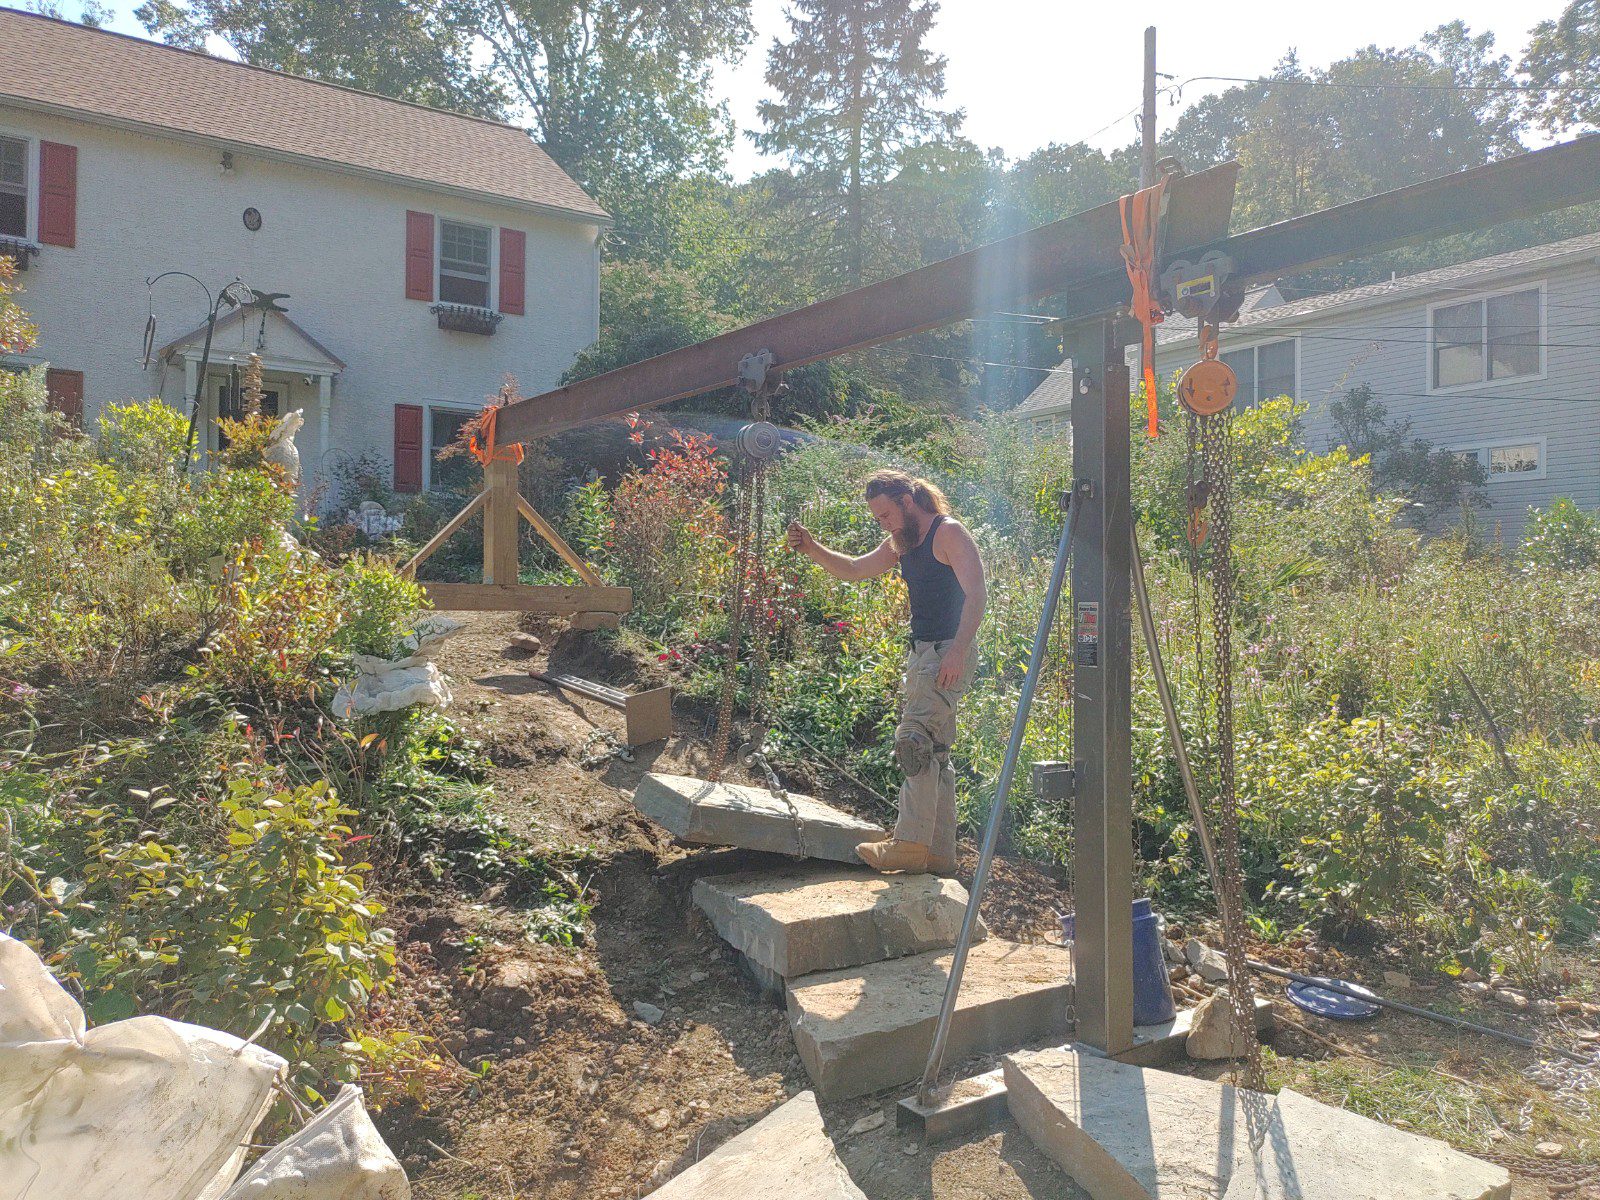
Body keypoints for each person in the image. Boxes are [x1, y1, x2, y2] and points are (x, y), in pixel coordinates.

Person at [786, 468, 987, 874]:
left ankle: (910, 844)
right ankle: (937, 854)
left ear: (907, 502)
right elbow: (856, 569)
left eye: (886, 515)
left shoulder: (947, 533)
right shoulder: (902, 540)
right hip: (924, 653)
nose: (884, 523)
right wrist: (812, 548)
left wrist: (958, 651)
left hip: (947, 651)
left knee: (913, 740)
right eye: (878, 519)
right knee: (936, 754)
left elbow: (977, 593)